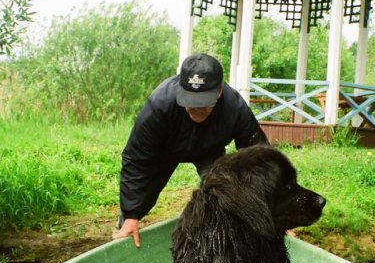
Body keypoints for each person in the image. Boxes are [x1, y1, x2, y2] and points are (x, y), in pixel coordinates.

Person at [112, 53, 268, 247]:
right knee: (138, 205)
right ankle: (125, 225)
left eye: (202, 104)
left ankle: (219, 241)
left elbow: (260, 160)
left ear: (219, 92)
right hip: (163, 151)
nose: (193, 109)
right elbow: (136, 158)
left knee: (222, 194)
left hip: (209, 150)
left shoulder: (234, 108)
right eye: (189, 101)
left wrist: (274, 212)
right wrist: (131, 213)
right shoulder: (160, 103)